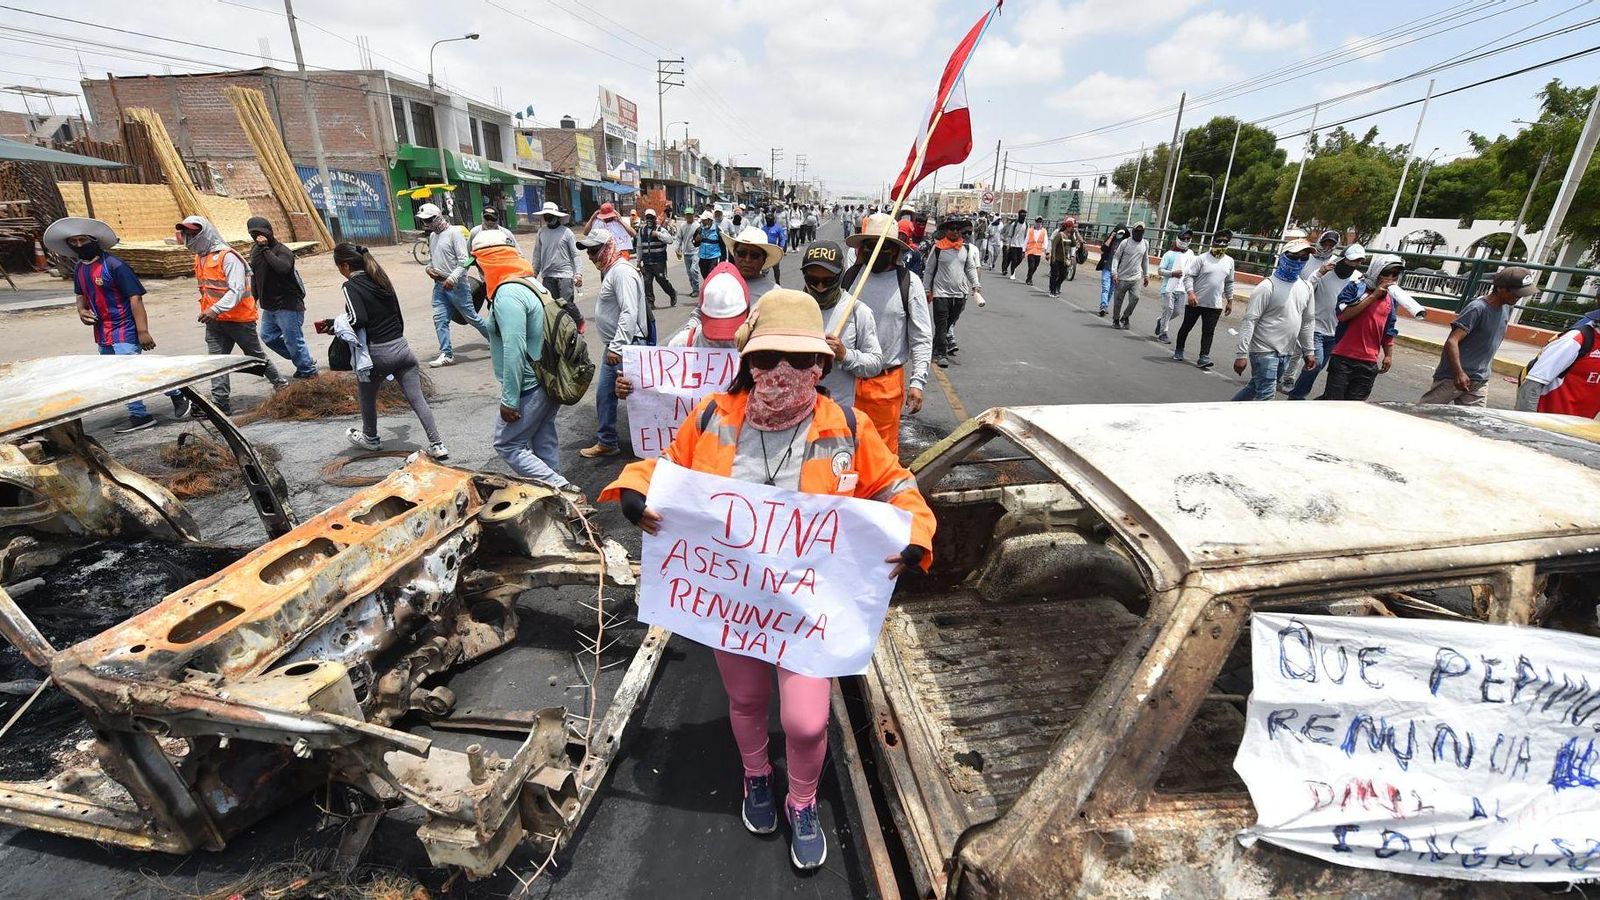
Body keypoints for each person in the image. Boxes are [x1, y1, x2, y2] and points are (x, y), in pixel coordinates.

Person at [599, 289, 935, 871]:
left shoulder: (849, 426)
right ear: (748, 360)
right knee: (747, 697)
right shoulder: (711, 415)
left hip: (808, 612)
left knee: (805, 721)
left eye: (801, 360)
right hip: (738, 605)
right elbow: (668, 466)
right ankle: (757, 775)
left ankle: (801, 800)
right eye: (769, 357)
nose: (783, 372)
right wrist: (634, 484)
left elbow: (896, 487)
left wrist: (917, 531)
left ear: (822, 365)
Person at [469, 230, 583, 496]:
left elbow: (514, 348)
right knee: (543, 441)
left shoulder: (508, 294)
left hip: (531, 384)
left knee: (508, 444)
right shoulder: (532, 284)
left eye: (478, 264)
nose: (479, 272)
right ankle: (556, 502)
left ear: (489, 261)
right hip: (550, 378)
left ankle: (563, 489)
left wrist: (509, 399)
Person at [46, 216, 187, 430]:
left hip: (124, 328)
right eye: (73, 242)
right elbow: (79, 295)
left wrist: (143, 331)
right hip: (102, 330)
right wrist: (82, 311)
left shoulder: (115, 265)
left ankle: (167, 399)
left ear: (94, 240)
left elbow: (135, 297)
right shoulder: (80, 269)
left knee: (132, 372)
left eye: (82, 240)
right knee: (117, 374)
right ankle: (148, 410)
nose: (78, 246)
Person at [333, 242, 447, 459]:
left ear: (345, 266)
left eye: (339, 267)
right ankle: (438, 444)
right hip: (402, 349)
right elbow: (398, 315)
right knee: (417, 399)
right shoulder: (381, 279)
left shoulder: (350, 286)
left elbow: (358, 319)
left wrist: (337, 325)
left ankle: (371, 439)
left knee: (366, 396)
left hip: (378, 354)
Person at [841, 213, 932, 455]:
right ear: (862, 249)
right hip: (845, 380)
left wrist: (918, 382)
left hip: (884, 384)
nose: (876, 252)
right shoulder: (849, 278)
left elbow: (922, 337)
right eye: (870, 246)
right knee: (841, 451)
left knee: (879, 456)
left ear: (894, 250)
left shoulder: (909, 283)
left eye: (883, 246)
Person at [176, 215, 287, 414]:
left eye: (194, 233)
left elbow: (236, 291)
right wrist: (211, 311)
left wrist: (215, 309)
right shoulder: (201, 257)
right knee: (216, 362)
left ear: (206, 232)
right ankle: (220, 403)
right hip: (215, 321)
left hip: (238, 320)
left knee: (255, 357)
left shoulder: (228, 257)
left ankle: (282, 386)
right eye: (187, 234)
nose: (190, 238)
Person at [578, 229, 649, 458]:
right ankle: (609, 440)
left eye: (594, 250)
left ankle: (622, 442)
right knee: (611, 394)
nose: (590, 256)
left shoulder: (622, 272)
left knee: (633, 395)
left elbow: (629, 311)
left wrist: (617, 347)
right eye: (588, 251)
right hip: (619, 344)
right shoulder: (612, 271)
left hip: (626, 345)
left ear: (607, 248)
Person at [1420, 266, 1534, 406]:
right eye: (1516, 293)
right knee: (1424, 412)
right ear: (1501, 289)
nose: (1519, 297)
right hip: (1453, 377)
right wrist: (1458, 373)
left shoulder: (1507, 307)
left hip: (1479, 379)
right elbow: (1452, 341)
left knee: (1474, 422)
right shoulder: (1477, 308)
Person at [1231, 239, 1316, 401]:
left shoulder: (1306, 287)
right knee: (1267, 396)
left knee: (1255, 387)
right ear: (1283, 257)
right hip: (1264, 350)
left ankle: (1228, 412)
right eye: (1294, 256)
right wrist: (1241, 354)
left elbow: (1307, 321)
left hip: (1286, 351)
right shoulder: (1267, 287)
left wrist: (1309, 350)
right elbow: (1250, 321)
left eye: (1304, 258)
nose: (1299, 261)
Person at [800, 241, 883, 406]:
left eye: (828, 280)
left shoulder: (858, 311)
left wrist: (845, 355)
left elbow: (875, 364)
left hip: (837, 414)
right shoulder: (792, 307)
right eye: (813, 279)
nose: (820, 287)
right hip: (797, 411)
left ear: (840, 276)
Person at [1287, 244, 1366, 400]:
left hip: (1336, 331)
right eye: (1352, 260)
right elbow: (1307, 288)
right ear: (1343, 259)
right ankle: (1297, 397)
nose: (1354, 264)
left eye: (1359, 261)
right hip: (1315, 326)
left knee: (1317, 366)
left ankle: (1301, 393)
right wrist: (1320, 272)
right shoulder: (1325, 271)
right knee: (1316, 363)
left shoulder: (1357, 277)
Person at [1320, 254, 1402, 401]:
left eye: (1395, 275)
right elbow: (1343, 315)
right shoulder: (1355, 288)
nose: (1390, 278)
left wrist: (1388, 355)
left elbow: (1389, 328)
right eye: (1386, 273)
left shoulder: (1391, 298)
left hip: (1368, 362)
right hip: (1343, 358)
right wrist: (1373, 296)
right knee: (1334, 404)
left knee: (1355, 407)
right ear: (1377, 271)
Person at [415, 202, 488, 368]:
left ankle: (496, 341)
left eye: (429, 220)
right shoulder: (433, 236)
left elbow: (465, 261)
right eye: (423, 221)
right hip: (439, 284)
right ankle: (446, 354)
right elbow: (432, 259)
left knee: (472, 318)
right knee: (440, 319)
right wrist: (428, 269)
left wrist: (453, 278)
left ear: (437, 217)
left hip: (457, 285)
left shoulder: (454, 233)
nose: (426, 224)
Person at [247, 216, 315, 380]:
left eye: (261, 233)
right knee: (268, 337)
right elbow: (255, 275)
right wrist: (254, 298)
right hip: (269, 306)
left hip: (288, 304)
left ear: (269, 232)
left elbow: (282, 268)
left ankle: (308, 372)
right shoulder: (255, 251)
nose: (258, 237)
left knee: (294, 341)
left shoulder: (282, 250)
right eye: (253, 234)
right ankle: (304, 361)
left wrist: (265, 249)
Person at [1517, 311, 1600, 417]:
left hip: (1578, 428)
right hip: (1548, 424)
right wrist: (1528, 425)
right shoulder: (1574, 340)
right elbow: (1531, 385)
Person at [1174, 229, 1236, 369]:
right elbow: (1189, 276)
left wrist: (1230, 301)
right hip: (1195, 302)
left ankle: (1204, 357)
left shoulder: (1229, 261)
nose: (1221, 244)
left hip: (1214, 304)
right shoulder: (1202, 258)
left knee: (1208, 331)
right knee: (1186, 327)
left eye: (1225, 242)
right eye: (1219, 241)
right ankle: (1179, 350)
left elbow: (1230, 282)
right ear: (1213, 242)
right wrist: (1191, 293)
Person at [923, 217, 980, 369]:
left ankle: (937, 344)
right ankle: (941, 354)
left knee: (949, 322)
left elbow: (970, 268)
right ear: (946, 231)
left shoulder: (965, 249)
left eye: (957, 229)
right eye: (951, 229)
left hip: (960, 294)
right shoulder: (939, 248)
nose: (955, 232)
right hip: (941, 292)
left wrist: (975, 284)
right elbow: (929, 270)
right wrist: (927, 288)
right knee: (941, 323)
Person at [532, 201, 583, 327]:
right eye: (546, 216)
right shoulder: (541, 232)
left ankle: (578, 320)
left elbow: (575, 254)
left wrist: (578, 274)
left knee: (566, 303)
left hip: (565, 274)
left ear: (556, 216)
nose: (548, 218)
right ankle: (561, 331)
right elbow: (537, 254)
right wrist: (533, 273)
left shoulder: (567, 232)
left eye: (550, 215)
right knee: (551, 306)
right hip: (548, 275)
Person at [724, 226, 783, 306]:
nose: (747, 260)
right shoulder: (718, 284)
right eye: (742, 253)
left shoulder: (774, 293)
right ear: (734, 254)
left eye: (754, 255)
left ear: (764, 260)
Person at [1154, 230, 1194, 343]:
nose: (1185, 241)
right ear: (1178, 239)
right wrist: (1172, 274)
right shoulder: (1169, 254)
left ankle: (1161, 321)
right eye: (1183, 238)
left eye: (1188, 239)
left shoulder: (1190, 254)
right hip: (1168, 288)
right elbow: (1160, 270)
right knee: (1168, 309)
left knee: (1177, 311)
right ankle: (1163, 333)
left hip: (1182, 288)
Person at [1109, 222, 1150, 330]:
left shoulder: (1145, 243)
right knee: (1118, 301)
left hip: (1136, 277)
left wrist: (1146, 275)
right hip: (1122, 277)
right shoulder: (1125, 243)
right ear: (1133, 231)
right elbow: (1116, 257)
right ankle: (1116, 319)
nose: (1139, 233)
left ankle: (1125, 316)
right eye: (1137, 231)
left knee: (1135, 298)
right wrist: (1114, 273)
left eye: (1141, 231)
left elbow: (1145, 259)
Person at [635, 209, 678, 309]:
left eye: (651, 217)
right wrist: (638, 260)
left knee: (661, 280)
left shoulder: (660, 229)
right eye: (647, 217)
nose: (649, 220)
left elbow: (670, 240)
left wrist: (658, 235)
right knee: (647, 282)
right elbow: (639, 246)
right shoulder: (642, 231)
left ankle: (672, 293)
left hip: (659, 262)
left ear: (654, 218)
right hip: (647, 262)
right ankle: (650, 302)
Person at [1046, 218, 1079, 298]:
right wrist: (1052, 256)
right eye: (1072, 227)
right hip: (1056, 258)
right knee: (1054, 275)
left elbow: (1073, 244)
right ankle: (1052, 290)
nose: (1072, 229)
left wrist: (1073, 235)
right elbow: (1054, 245)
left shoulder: (1070, 236)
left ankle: (1057, 285)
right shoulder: (1059, 234)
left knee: (1063, 275)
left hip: (1064, 260)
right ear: (1067, 227)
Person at [676, 209, 705, 298]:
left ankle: (696, 289)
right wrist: (678, 248)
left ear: (693, 215)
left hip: (696, 251)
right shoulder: (682, 226)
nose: (689, 217)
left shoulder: (697, 226)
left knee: (693, 270)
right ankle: (694, 288)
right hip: (686, 252)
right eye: (687, 215)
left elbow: (701, 238)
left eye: (690, 215)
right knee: (689, 273)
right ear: (685, 216)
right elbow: (679, 238)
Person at [1096, 227, 1125, 315]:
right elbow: (1103, 248)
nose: (1120, 235)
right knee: (1105, 288)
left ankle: (1105, 305)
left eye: (1122, 234)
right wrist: (1111, 237)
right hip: (1107, 268)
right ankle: (1103, 306)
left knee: (1111, 289)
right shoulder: (1111, 241)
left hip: (1116, 271)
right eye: (1119, 233)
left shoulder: (1124, 244)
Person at [695, 209, 727, 279]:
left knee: (711, 276)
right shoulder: (699, 230)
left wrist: (723, 262)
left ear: (710, 220)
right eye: (702, 220)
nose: (702, 222)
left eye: (704, 220)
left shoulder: (718, 230)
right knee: (705, 276)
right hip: (702, 258)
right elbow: (694, 244)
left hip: (714, 258)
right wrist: (696, 241)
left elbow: (723, 246)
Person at [761, 210, 788, 283]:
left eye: (770, 219)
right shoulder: (763, 228)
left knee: (776, 268)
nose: (768, 220)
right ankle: (763, 282)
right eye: (767, 219)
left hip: (774, 250)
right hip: (765, 250)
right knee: (764, 267)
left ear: (773, 219)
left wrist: (781, 247)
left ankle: (777, 282)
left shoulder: (778, 228)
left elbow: (782, 238)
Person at [1022, 216, 1048, 286]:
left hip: (1038, 252)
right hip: (1030, 251)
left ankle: (1029, 275)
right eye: (1037, 222)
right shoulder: (1030, 230)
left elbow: (1045, 241)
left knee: (1035, 266)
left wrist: (1046, 250)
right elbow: (1026, 240)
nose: (1039, 223)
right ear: (1035, 222)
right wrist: (1023, 250)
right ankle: (1029, 279)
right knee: (1031, 266)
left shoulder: (1044, 231)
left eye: (1040, 222)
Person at [1001, 213, 1026, 279]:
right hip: (1012, 244)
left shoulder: (1026, 225)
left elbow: (1026, 236)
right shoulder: (1013, 225)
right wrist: (1008, 244)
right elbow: (1009, 235)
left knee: (1019, 259)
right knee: (1009, 258)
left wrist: (1025, 247)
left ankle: (1012, 267)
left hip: (1021, 245)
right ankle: (1010, 272)